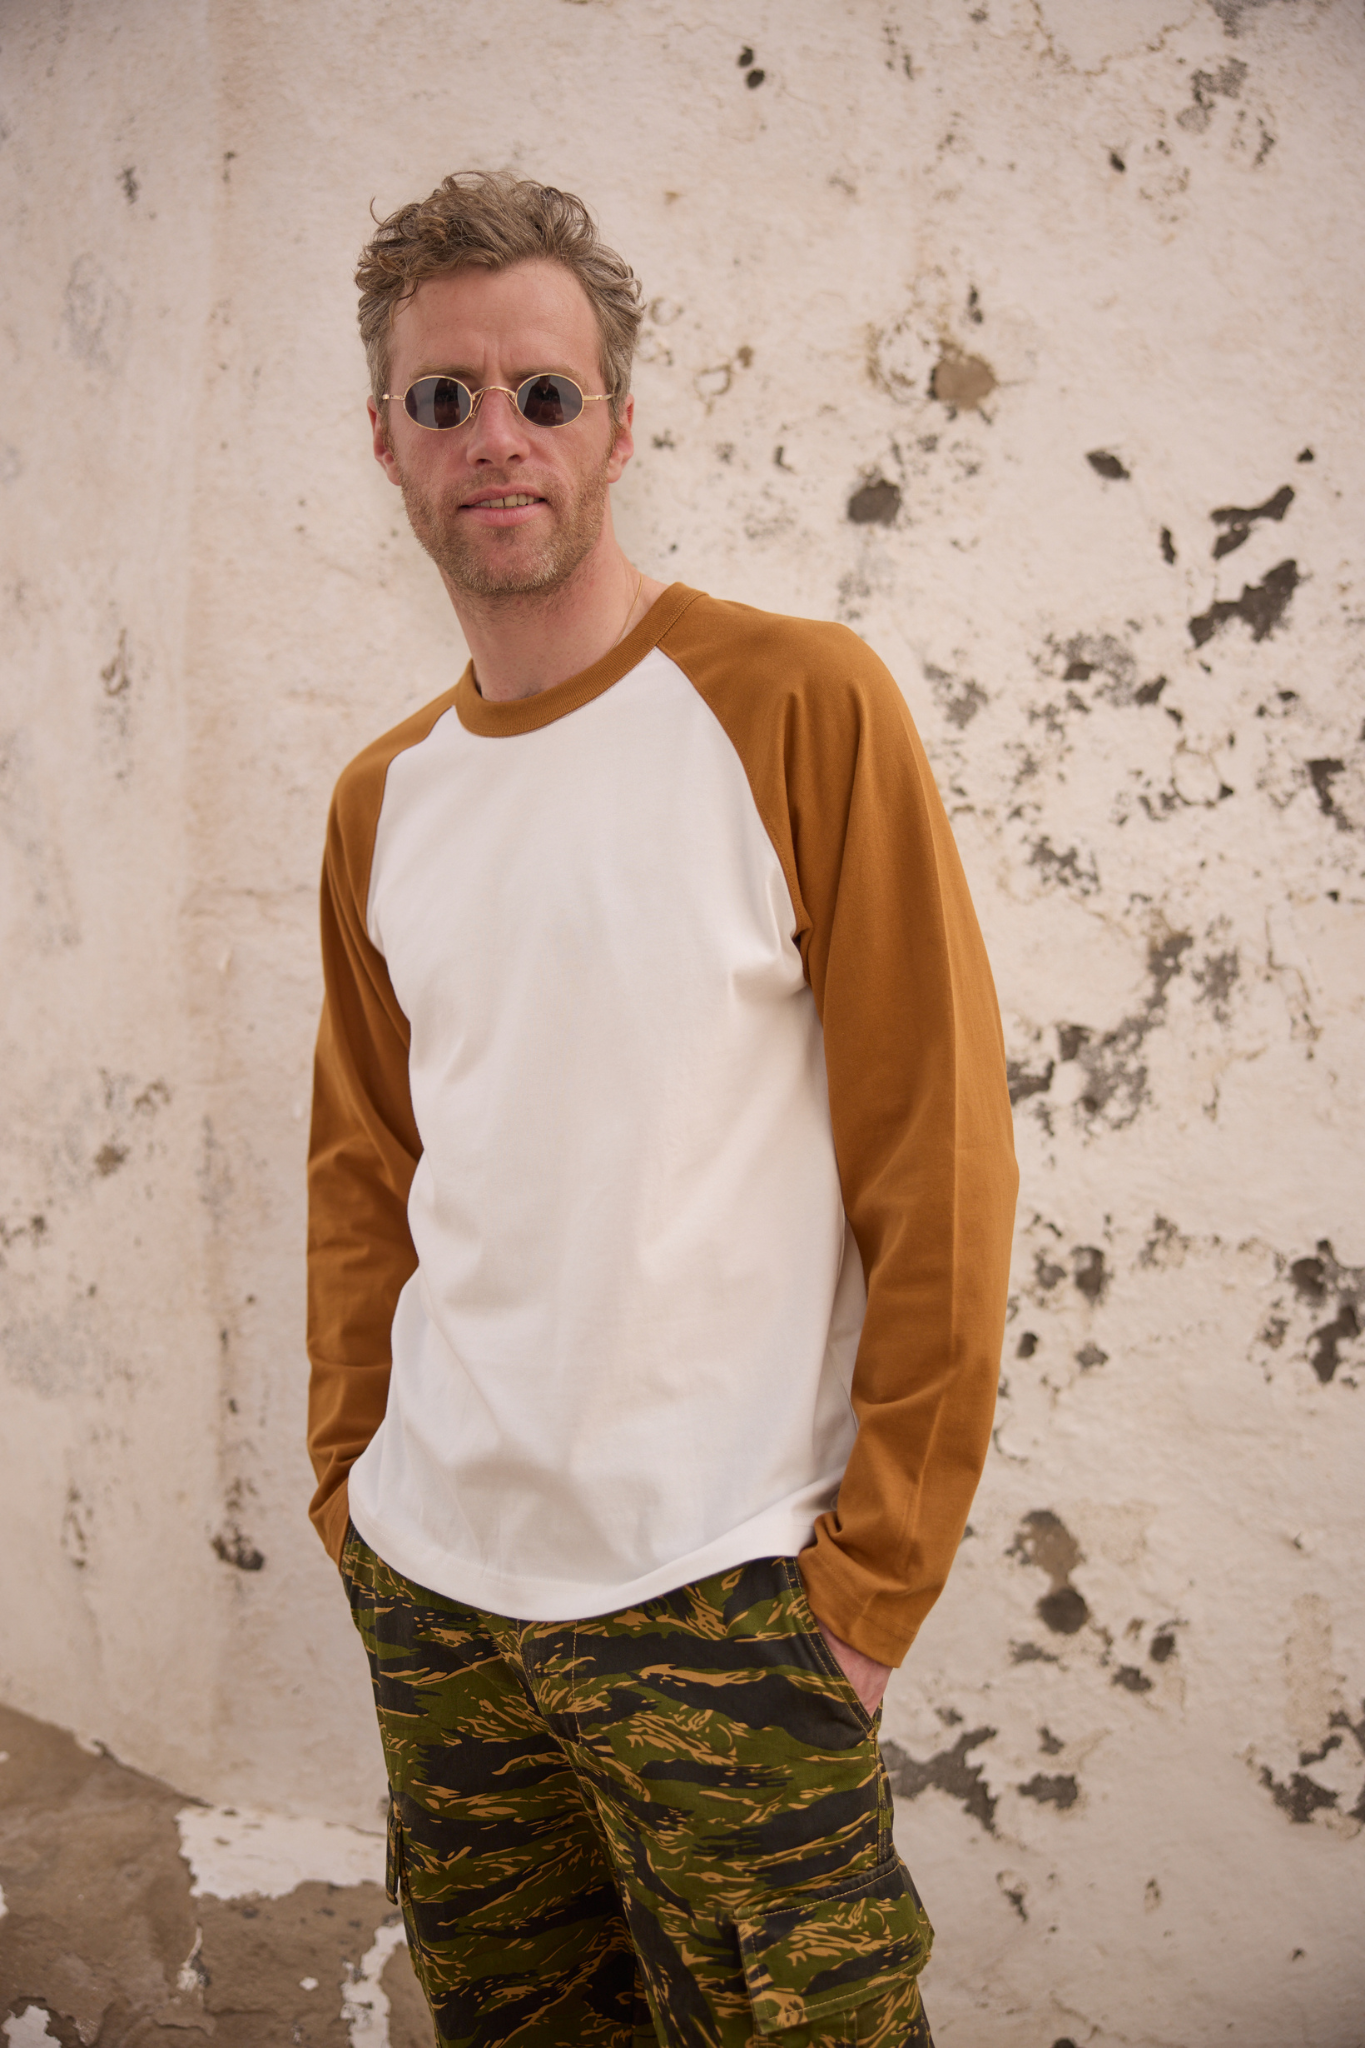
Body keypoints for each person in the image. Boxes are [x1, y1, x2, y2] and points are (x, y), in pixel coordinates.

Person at [306, 171, 1017, 2048]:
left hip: (724, 1601)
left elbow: (939, 1162)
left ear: (618, 424)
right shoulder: (384, 799)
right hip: (439, 1602)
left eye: (543, 392)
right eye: (444, 396)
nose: (498, 436)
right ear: (385, 438)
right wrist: (350, 1490)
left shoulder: (796, 703)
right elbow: (366, 1170)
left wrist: (867, 1593)